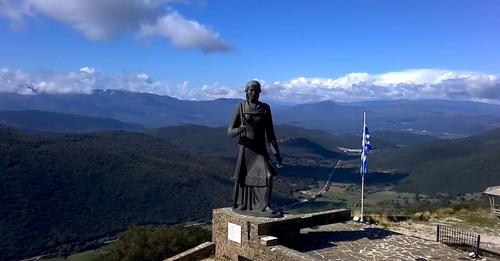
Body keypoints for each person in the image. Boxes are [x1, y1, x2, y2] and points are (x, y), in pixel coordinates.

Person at [228, 80, 283, 217]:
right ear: (246, 91)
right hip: (246, 150)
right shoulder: (240, 108)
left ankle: (265, 205)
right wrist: (239, 130)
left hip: (260, 150)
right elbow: (229, 132)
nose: (254, 93)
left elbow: (270, 133)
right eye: (251, 90)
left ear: (260, 92)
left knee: (268, 176)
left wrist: (276, 152)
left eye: (257, 90)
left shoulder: (265, 108)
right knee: (243, 178)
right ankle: (243, 204)